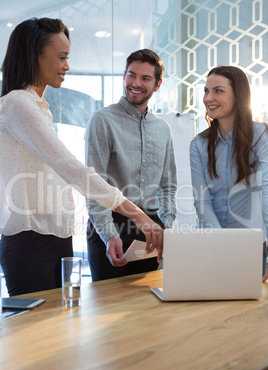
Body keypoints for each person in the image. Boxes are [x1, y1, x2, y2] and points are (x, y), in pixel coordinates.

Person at [0, 18, 164, 296]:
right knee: (38, 335)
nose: (67, 66)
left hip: (55, 238)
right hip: (29, 241)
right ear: (35, 56)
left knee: (60, 330)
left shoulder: (39, 107)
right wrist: (136, 213)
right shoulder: (18, 103)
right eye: (62, 57)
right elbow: (71, 168)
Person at [85, 49, 177, 281]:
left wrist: (165, 226)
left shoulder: (163, 129)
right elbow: (95, 186)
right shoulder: (102, 120)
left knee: (146, 306)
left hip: (150, 229)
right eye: (131, 75)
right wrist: (109, 235)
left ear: (157, 85)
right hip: (110, 226)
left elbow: (168, 186)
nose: (136, 83)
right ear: (124, 76)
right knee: (107, 304)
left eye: (145, 78)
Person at [189, 65, 268, 281]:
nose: (208, 98)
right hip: (210, 243)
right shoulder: (198, 144)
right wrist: (220, 242)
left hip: (250, 245)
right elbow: (201, 200)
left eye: (218, 91)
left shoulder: (261, 136)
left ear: (238, 95)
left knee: (249, 312)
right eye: (206, 91)